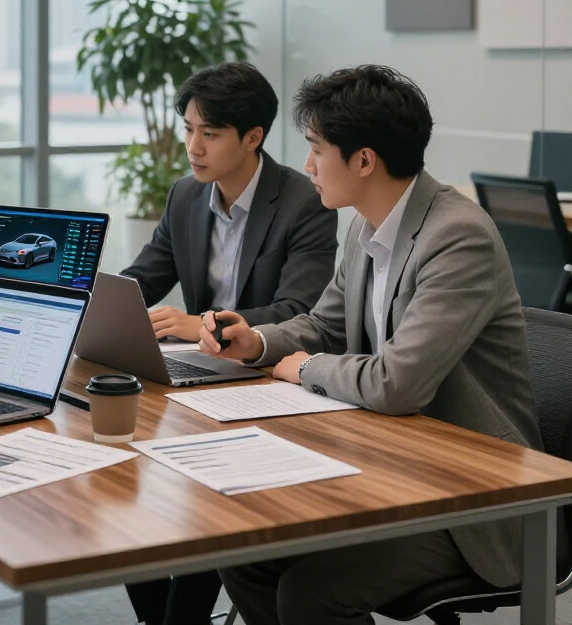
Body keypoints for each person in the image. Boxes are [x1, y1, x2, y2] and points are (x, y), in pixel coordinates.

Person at [200, 65, 542, 625]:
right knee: (244, 555)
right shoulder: (367, 224)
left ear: (363, 160)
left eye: (315, 148)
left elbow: (396, 382)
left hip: (473, 496)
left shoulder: (458, 237)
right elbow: (323, 323)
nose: (306, 166)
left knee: (310, 594)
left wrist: (307, 367)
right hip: (392, 461)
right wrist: (255, 341)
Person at [122, 61, 339, 625]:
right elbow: (140, 279)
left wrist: (200, 325)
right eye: (189, 128)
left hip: (271, 384)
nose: (193, 146)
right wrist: (93, 305)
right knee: (116, 473)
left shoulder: (303, 200)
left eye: (209, 133)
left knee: (205, 504)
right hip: (198, 380)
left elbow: (301, 311)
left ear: (253, 137)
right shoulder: (186, 197)